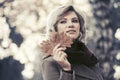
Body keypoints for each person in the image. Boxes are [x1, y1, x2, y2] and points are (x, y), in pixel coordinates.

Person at [41, 5, 103, 80]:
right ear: (55, 29)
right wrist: (66, 70)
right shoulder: (51, 62)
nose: (70, 25)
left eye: (75, 21)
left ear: (80, 28)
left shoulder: (90, 59)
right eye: (63, 22)